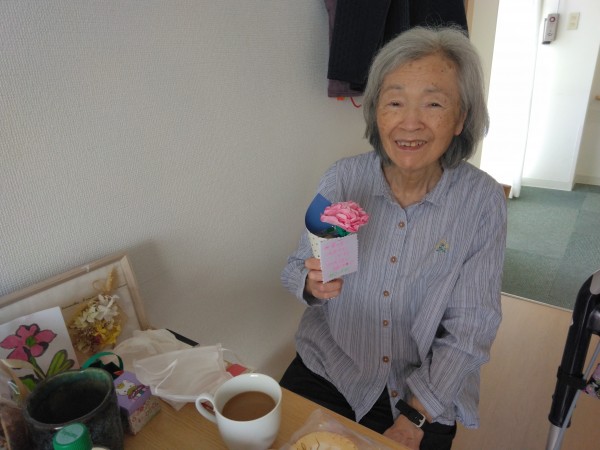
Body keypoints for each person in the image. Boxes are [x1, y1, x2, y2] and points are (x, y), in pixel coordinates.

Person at [280, 26, 506, 450]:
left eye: (433, 103)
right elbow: (295, 266)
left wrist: (414, 418)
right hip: (330, 367)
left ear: (460, 118)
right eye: (395, 102)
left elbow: (471, 327)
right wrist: (311, 282)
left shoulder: (482, 201)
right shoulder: (343, 178)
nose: (410, 122)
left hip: (421, 391)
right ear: (376, 113)